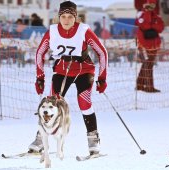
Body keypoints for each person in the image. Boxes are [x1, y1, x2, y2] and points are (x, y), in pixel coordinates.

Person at [28, 1, 108, 155]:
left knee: (84, 102)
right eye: (63, 16)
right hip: (62, 71)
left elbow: (102, 51)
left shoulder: (84, 30)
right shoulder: (52, 31)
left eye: (70, 17)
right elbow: (39, 52)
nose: (66, 20)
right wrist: (40, 77)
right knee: (51, 104)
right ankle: (40, 139)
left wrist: (102, 77)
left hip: (84, 71)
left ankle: (93, 139)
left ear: (75, 18)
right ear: (59, 17)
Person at [135, 0, 164, 93]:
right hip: (145, 44)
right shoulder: (142, 15)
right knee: (148, 64)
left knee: (148, 64)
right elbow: (145, 26)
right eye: (150, 5)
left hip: (154, 44)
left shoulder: (156, 16)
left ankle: (140, 84)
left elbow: (161, 27)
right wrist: (148, 14)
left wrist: (153, 26)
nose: (152, 6)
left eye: (153, 5)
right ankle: (148, 86)